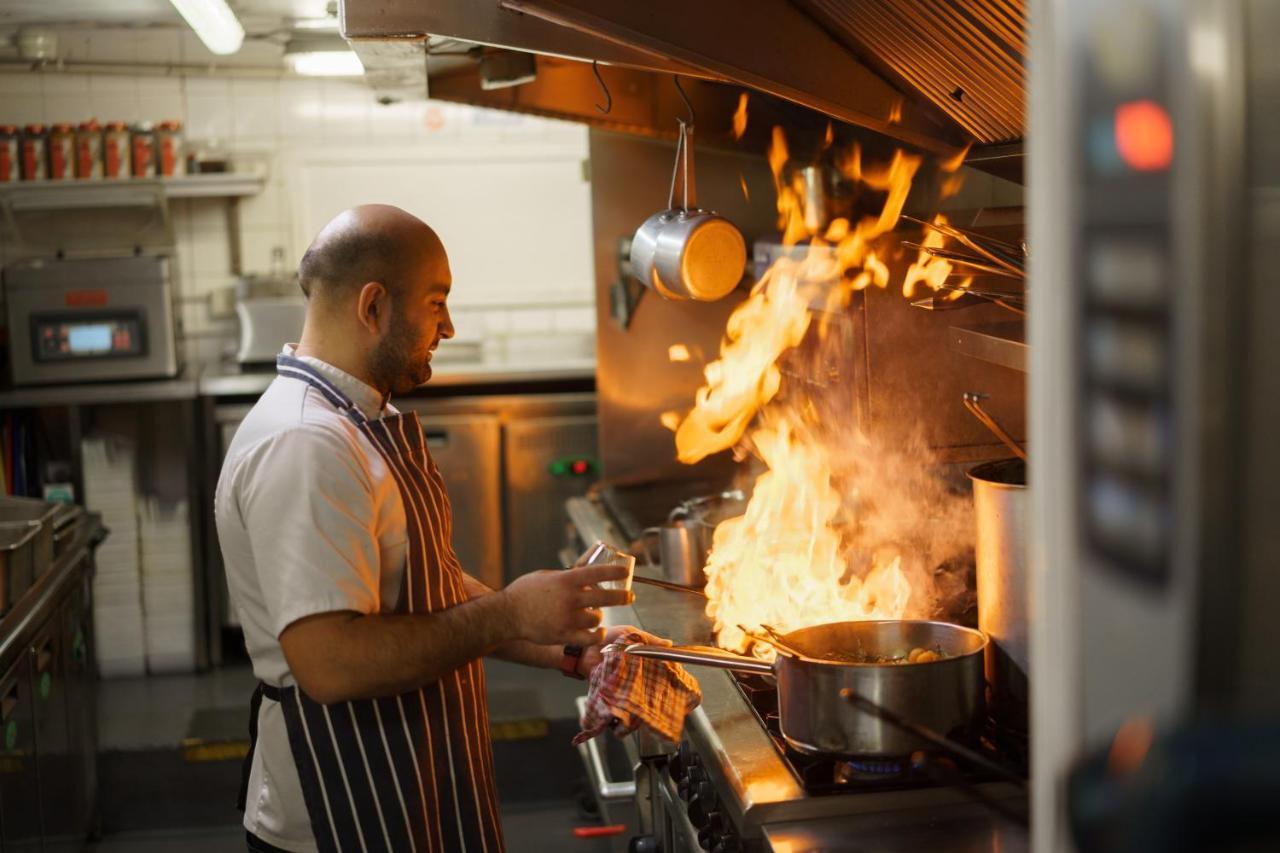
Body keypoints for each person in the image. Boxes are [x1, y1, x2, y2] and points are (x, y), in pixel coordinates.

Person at [215, 204, 632, 853]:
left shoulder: (356, 420)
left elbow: (424, 583)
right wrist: (511, 609)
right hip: (339, 810)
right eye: (436, 303)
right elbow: (331, 663)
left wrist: (562, 648)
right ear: (374, 305)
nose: (448, 325)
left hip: (405, 786)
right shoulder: (306, 443)